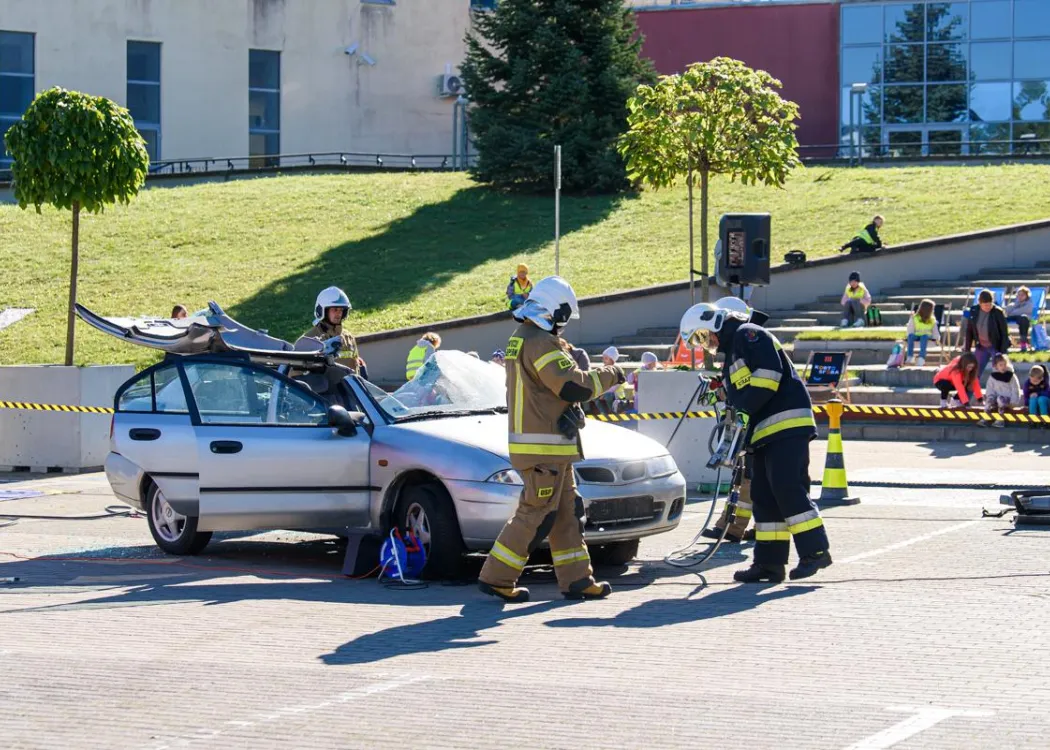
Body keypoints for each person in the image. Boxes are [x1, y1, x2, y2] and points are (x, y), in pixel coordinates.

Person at [478, 276, 625, 603]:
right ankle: (496, 577)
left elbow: (545, 391)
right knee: (536, 514)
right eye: (563, 319)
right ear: (553, 312)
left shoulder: (523, 337)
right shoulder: (540, 342)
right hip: (543, 448)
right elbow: (572, 385)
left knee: (567, 514)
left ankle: (577, 580)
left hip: (550, 446)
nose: (563, 327)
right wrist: (610, 376)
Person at [679, 301, 832, 583]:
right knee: (764, 496)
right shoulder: (734, 351)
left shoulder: (748, 335)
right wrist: (720, 396)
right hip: (763, 432)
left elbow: (767, 377)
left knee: (787, 488)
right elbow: (742, 390)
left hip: (786, 425)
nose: (705, 344)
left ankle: (816, 551)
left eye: (702, 336)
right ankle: (769, 564)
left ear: (714, 323)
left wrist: (742, 406)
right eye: (698, 342)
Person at [296, 286, 361, 373]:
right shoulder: (308, 340)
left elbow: (356, 369)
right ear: (323, 311)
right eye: (335, 309)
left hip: (347, 386)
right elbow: (296, 375)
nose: (339, 313)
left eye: (341, 310)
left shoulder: (348, 337)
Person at [962, 289, 1009, 377]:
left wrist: (1002, 351)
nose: (988, 307)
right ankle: (969, 390)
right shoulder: (974, 311)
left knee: (1000, 371)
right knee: (974, 373)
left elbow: (1004, 333)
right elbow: (970, 331)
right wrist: (967, 350)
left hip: (995, 346)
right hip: (981, 346)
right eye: (985, 305)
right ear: (980, 303)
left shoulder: (998, 312)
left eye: (990, 304)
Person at [980, 354, 1021, 429]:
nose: (1003, 367)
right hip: (996, 399)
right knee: (989, 399)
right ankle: (985, 418)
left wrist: (1014, 402)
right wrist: (990, 397)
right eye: (1001, 365)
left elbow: (1015, 389)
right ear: (996, 366)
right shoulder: (993, 376)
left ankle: (1000, 420)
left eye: (1005, 364)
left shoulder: (1011, 376)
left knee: (1000, 399)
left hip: (1007, 400)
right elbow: (990, 389)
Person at [906, 298, 940, 367]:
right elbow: (910, 330)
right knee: (910, 336)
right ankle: (910, 356)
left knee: (924, 336)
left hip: (927, 338)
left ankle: (921, 358)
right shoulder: (914, 318)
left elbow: (935, 333)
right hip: (917, 336)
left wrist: (936, 339)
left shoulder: (932, 320)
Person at [594, 347, 625, 415]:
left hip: (616, 394)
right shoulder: (604, 369)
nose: (603, 360)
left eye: (606, 358)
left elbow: (616, 386)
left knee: (608, 396)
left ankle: (613, 412)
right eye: (603, 358)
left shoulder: (617, 369)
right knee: (595, 396)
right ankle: (603, 413)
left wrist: (603, 393)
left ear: (612, 360)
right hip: (605, 392)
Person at [1005, 286, 1035, 352]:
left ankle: (1023, 344)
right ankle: (1005, 341)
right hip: (1014, 317)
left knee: (1023, 318)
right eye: (1019, 295)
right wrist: (1015, 305)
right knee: (1001, 319)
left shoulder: (1029, 303)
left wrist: (1012, 311)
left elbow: (1022, 311)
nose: (1020, 296)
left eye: (1022, 295)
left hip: (1026, 319)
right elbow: (1007, 310)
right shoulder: (1016, 303)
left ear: (1027, 296)